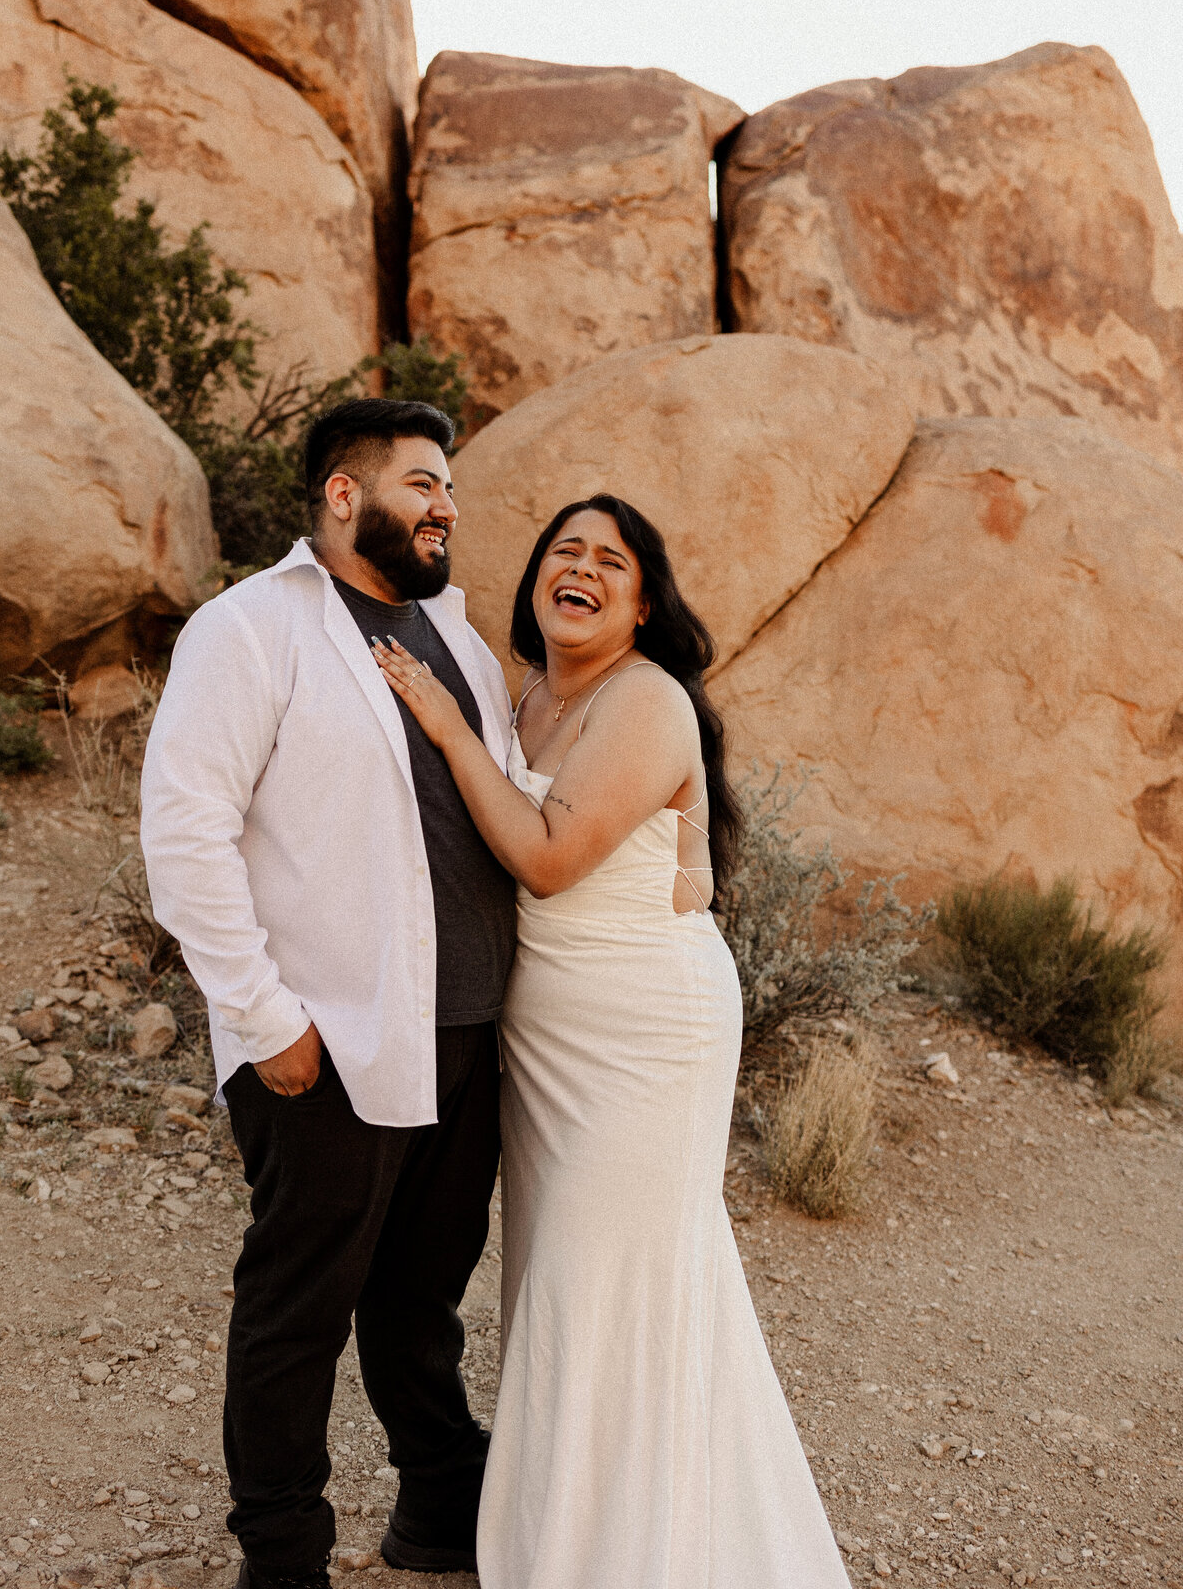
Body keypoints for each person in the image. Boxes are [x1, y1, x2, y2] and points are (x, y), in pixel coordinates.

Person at [373, 492, 851, 1588]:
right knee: (560, 1281)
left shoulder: (644, 701)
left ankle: (624, 1555)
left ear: (641, 608)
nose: (581, 567)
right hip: (547, 1044)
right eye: (564, 551)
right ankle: (576, 1534)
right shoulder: (532, 697)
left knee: (605, 1279)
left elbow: (544, 856)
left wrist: (446, 724)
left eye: (611, 560)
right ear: (537, 580)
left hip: (643, 1034)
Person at [140, 398, 516, 1586]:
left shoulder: (457, 636)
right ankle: (285, 1553)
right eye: (421, 481)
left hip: (464, 1032)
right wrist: (267, 1020)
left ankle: (441, 1505)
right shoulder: (253, 628)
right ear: (344, 494)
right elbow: (186, 833)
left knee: (422, 1299)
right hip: (330, 1037)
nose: (444, 505)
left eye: (448, 485)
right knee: (300, 1304)